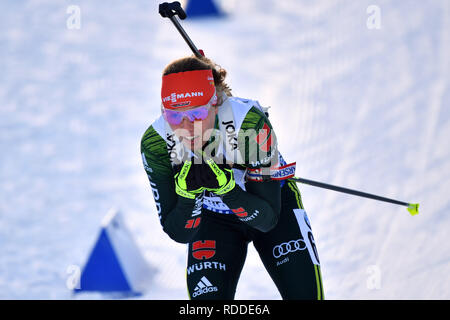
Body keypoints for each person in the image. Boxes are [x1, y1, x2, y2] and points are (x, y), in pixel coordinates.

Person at [140, 55, 324, 300]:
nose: (187, 127)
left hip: (270, 207)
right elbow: (179, 232)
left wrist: (228, 189)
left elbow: (268, 219)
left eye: (196, 114)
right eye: (174, 116)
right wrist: (188, 196)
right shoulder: (156, 143)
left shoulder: (248, 126)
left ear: (215, 101)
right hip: (212, 221)